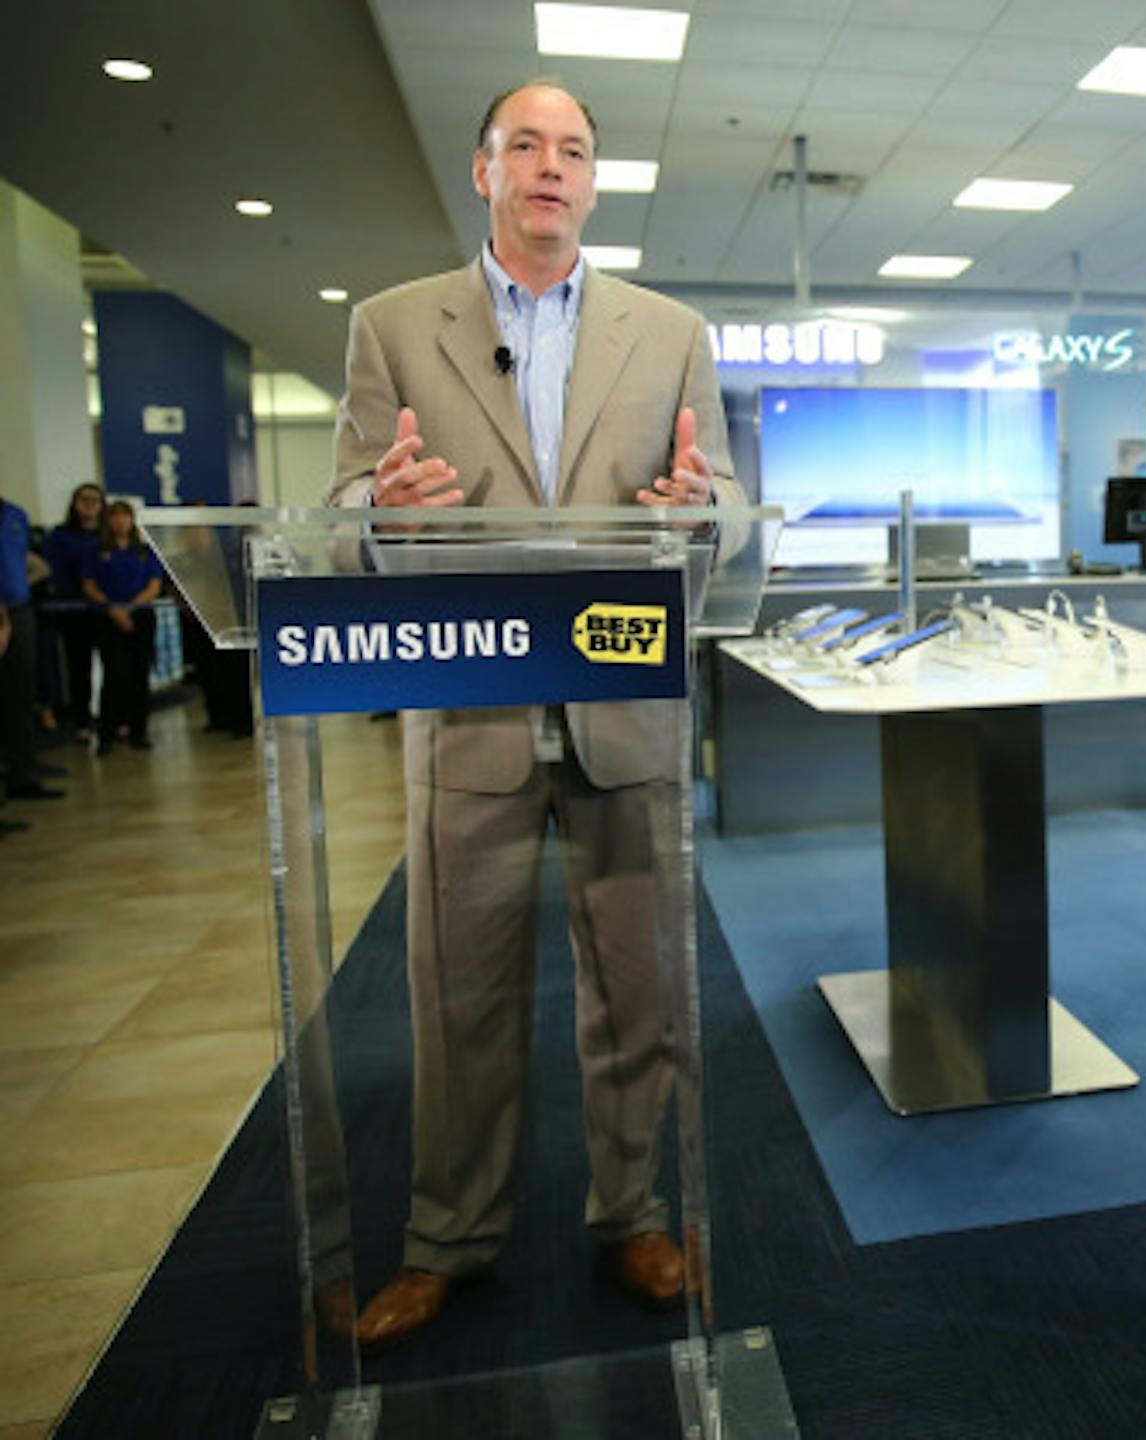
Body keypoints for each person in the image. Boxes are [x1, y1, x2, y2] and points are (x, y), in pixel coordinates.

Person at [327, 80, 732, 1351]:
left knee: (638, 991)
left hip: (625, 706)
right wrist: (379, 509)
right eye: (526, 146)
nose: (551, 166)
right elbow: (339, 513)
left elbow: (718, 499)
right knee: (458, 996)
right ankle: (448, 1238)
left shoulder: (672, 333)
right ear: (484, 170)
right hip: (471, 711)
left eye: (574, 150)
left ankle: (635, 1214)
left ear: (594, 182)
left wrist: (700, 512)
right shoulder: (395, 327)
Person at [81, 499, 163, 754]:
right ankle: (108, 732)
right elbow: (89, 585)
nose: (120, 521)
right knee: (114, 674)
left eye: (125, 516)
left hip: (140, 616)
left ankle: (139, 731)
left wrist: (130, 608)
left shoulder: (144, 551)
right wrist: (113, 608)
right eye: (114, 516)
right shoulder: (96, 551)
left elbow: (153, 585)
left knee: (140, 673)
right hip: (108, 617)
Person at [2, 477, 62, 822]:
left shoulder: (15, 515)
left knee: (21, 696)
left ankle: (22, 774)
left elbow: (25, 560)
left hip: (19, 610)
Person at [45, 483, 105, 739]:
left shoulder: (108, 535)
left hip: (106, 609)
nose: (89, 504)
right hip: (74, 609)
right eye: (84, 499)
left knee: (115, 666)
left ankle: (114, 719)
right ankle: (81, 721)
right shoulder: (60, 536)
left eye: (95, 500)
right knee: (79, 668)